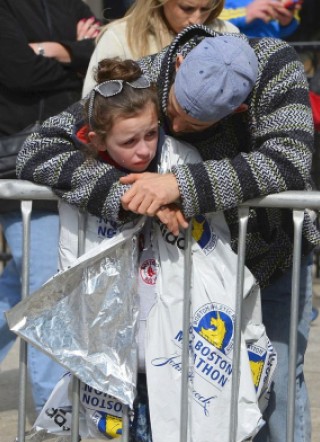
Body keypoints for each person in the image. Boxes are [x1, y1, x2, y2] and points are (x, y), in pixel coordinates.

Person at [16, 26, 320, 442]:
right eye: (172, 114)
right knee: (204, 400)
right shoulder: (144, 78)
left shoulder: (277, 68)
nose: (173, 131)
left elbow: (290, 160)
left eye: (194, 127)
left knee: (270, 388)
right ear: (178, 68)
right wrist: (122, 195)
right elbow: (39, 149)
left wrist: (179, 186)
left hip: (271, 258)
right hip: (187, 271)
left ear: (238, 107)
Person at [0, 0, 100, 413]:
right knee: (45, 295)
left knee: (18, 290)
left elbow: (102, 59)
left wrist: (55, 50)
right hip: (17, 168)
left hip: (71, 167)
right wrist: (72, 56)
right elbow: (18, 72)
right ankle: (52, 413)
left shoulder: (70, 3)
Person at [82, 0, 239, 96]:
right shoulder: (119, 37)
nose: (196, 20)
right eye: (187, 8)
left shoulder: (227, 33)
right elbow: (92, 106)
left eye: (205, 9)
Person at [219, 0, 301, 38]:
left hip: (269, 57)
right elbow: (208, 17)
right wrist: (244, 13)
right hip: (229, 57)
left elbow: (294, 20)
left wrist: (288, 22)